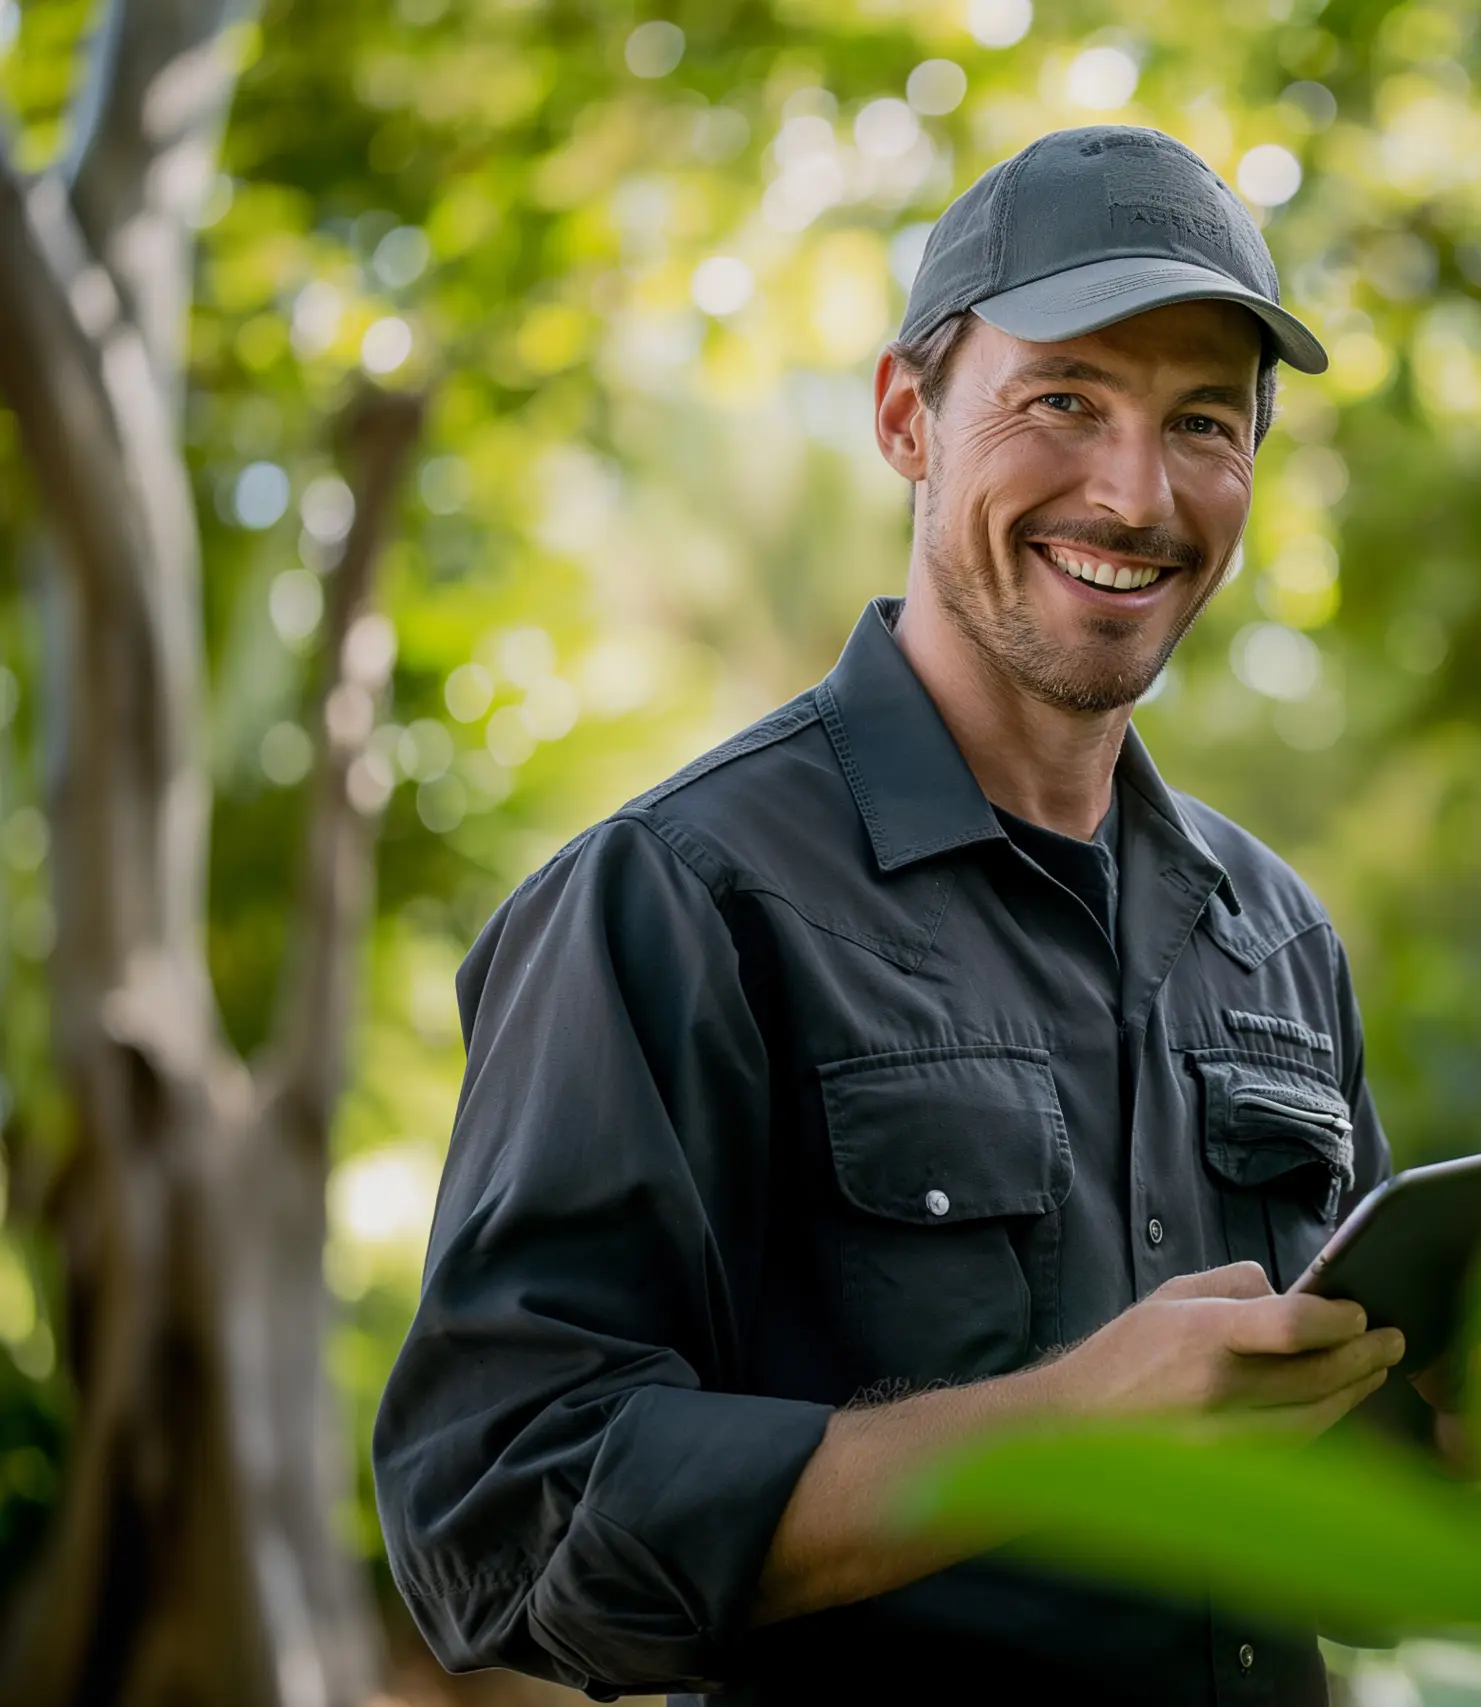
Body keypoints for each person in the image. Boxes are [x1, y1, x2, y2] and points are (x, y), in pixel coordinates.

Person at [374, 124, 1423, 1705]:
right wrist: (1065, 1421)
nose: (1137, 493)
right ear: (906, 417)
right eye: (1063, 399)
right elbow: (503, 1520)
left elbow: (1376, 1520)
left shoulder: (1273, 936)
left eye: (1203, 421)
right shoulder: (677, 897)